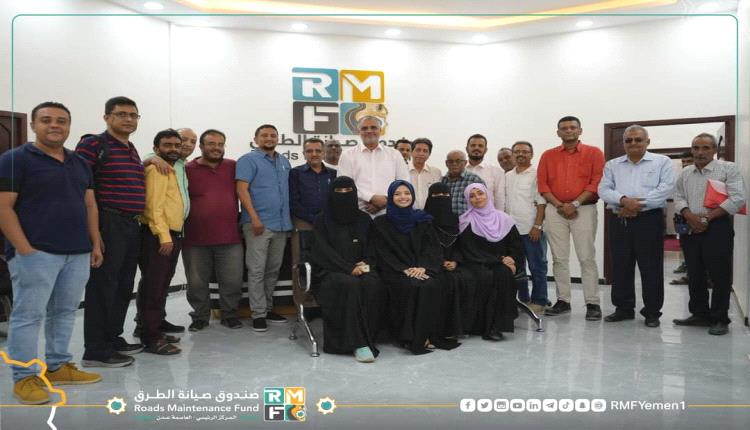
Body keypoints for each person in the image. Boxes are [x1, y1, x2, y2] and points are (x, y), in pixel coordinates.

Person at [0, 102, 103, 404]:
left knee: (65, 312)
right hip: (36, 253)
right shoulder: (15, 159)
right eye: (46, 120)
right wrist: (24, 249)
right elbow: (3, 207)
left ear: (69, 125)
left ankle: (58, 367)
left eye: (61, 120)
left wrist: (95, 243)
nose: (54, 125)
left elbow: (89, 205)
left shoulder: (79, 163)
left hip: (77, 252)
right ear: (34, 125)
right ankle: (24, 377)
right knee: (27, 316)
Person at [76, 96, 145, 367]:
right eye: (121, 114)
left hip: (131, 224)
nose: (128, 119)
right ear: (107, 117)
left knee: (123, 286)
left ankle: (113, 338)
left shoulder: (131, 148)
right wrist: (94, 233)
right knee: (102, 287)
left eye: (133, 115)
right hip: (108, 222)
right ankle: (95, 350)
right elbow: (81, 187)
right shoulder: (94, 144)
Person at [598, 125, 674, 327]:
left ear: (647, 142)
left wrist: (635, 205)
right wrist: (623, 200)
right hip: (619, 219)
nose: (633, 143)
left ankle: (652, 312)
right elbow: (603, 189)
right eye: (628, 140)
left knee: (651, 267)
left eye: (638, 139)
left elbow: (666, 189)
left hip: (649, 220)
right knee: (620, 265)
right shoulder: (613, 165)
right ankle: (623, 308)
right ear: (623, 143)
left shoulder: (662, 162)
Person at [673, 133, 746, 335]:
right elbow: (678, 196)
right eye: (696, 148)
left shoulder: (728, 169)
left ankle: (720, 318)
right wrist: (689, 216)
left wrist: (707, 219)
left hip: (717, 227)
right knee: (694, 273)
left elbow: (737, 198)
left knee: (719, 274)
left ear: (714, 150)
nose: (700, 152)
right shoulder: (686, 172)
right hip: (691, 226)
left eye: (705, 148)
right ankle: (699, 314)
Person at [310, 176, 386, 362]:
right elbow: (323, 252)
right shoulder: (322, 220)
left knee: (373, 283)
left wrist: (365, 263)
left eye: (348, 192)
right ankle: (356, 343)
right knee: (348, 284)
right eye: (339, 192)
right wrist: (348, 268)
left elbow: (373, 247)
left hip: (360, 269)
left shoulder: (364, 219)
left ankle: (368, 337)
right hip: (330, 272)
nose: (344, 195)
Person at [537, 115, 604, 321]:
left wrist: (574, 204)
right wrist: (560, 205)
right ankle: (563, 300)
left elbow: (596, 181)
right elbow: (542, 184)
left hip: (584, 209)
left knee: (586, 257)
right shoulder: (548, 155)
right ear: (558, 132)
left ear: (580, 130)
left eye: (572, 127)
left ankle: (592, 303)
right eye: (564, 128)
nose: (568, 131)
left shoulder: (594, 153)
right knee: (559, 258)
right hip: (555, 210)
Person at [183, 129, 243, 331]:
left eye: (220, 144)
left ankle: (230, 315)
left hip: (230, 236)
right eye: (211, 144)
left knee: (232, 281)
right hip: (194, 238)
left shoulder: (233, 167)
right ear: (201, 146)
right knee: (196, 282)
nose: (216, 148)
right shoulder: (186, 169)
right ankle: (200, 317)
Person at [373, 180, 443, 355]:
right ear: (391, 197)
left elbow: (432, 248)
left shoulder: (423, 219)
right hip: (393, 270)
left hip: (420, 269)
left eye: (407, 193)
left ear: (412, 196)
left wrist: (423, 267)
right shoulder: (381, 222)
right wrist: (402, 269)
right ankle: (408, 337)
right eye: (397, 194)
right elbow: (381, 251)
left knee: (428, 285)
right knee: (410, 286)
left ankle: (423, 335)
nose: (403, 197)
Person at [236, 124, 292, 332]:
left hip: (281, 225)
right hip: (258, 224)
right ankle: (258, 314)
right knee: (257, 270)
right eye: (264, 135)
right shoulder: (248, 160)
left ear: (278, 138)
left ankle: (267, 309)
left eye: (273, 135)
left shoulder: (284, 161)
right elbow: (241, 190)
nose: (269, 138)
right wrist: (254, 218)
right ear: (256, 139)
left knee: (273, 270)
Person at [137, 129, 187, 355]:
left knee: (160, 286)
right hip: (158, 236)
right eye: (168, 145)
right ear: (156, 149)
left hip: (171, 234)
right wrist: (164, 236)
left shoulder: (171, 169)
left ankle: (152, 329)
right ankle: (151, 338)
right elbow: (153, 207)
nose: (173, 149)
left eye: (177, 145)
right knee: (154, 288)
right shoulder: (157, 169)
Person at [459, 183, 522, 341]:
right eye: (472, 196)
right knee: (484, 276)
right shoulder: (465, 221)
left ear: (487, 195)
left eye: (480, 193)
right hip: (475, 262)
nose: (477, 198)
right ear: (467, 200)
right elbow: (468, 250)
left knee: (503, 275)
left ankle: (497, 326)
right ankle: (478, 326)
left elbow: (516, 246)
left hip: (500, 263)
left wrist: (512, 258)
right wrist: (499, 259)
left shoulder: (504, 219)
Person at [423, 183, 475, 338]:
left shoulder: (455, 219)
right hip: (431, 265)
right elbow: (421, 248)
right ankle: (440, 328)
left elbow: (461, 245)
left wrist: (455, 261)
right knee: (443, 282)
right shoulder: (423, 221)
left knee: (466, 279)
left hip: (453, 264)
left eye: (445, 196)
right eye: (436, 196)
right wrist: (438, 262)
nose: (441, 199)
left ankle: (462, 327)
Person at [505, 141, 548, 315]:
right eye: (517, 151)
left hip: (531, 229)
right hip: (510, 229)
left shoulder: (537, 174)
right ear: (512, 154)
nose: (521, 154)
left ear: (532, 154)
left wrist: (537, 225)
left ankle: (540, 300)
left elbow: (541, 202)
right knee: (518, 267)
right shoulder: (508, 175)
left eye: (525, 151)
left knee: (537, 266)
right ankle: (523, 299)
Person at [337, 116, 409, 216]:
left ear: (380, 130)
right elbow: (345, 185)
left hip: (390, 213)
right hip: (358, 213)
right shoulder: (347, 155)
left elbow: (404, 182)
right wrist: (371, 198)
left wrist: (386, 200)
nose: (369, 131)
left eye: (373, 127)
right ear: (358, 132)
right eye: (364, 128)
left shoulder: (394, 154)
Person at [289, 137, 337, 226]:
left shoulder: (334, 174)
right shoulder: (295, 173)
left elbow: (336, 200)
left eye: (318, 151)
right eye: (309, 151)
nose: (314, 154)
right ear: (304, 154)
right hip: (303, 224)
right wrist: (313, 219)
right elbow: (293, 202)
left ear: (323, 153)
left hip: (329, 224)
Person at [465, 134, 505, 211]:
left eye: (480, 146)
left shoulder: (496, 171)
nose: (476, 148)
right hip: (463, 216)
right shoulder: (460, 170)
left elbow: (499, 198)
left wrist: (498, 217)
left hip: (488, 216)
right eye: (473, 145)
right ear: (467, 149)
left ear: (485, 150)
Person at [441, 150, 485, 215]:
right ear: (446, 163)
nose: (454, 164)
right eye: (451, 161)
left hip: (468, 220)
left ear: (465, 163)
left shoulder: (474, 180)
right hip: (446, 220)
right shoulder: (442, 181)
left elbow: (483, 204)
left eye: (458, 161)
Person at [408, 137, 442, 210]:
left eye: (425, 151)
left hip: (430, 213)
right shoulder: (402, 171)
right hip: (406, 213)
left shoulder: (436, 172)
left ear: (429, 154)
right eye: (418, 150)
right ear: (411, 152)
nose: (421, 153)